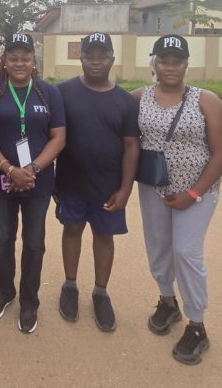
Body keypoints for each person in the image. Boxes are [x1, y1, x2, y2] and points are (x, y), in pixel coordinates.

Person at [131, 34, 222, 365]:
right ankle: (167, 301)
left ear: (186, 64)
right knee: (158, 246)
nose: (170, 67)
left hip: (197, 191)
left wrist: (193, 193)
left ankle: (197, 323)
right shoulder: (138, 98)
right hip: (153, 188)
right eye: (164, 60)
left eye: (177, 61)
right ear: (154, 63)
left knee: (186, 252)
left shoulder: (206, 100)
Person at [0, 33, 65, 333]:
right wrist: (8, 168)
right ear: (4, 61)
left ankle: (30, 300)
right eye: (13, 57)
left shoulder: (48, 93)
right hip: (1, 179)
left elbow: (59, 136)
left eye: (25, 57)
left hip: (38, 182)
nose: (19, 63)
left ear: (33, 61)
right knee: (3, 238)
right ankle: (4, 292)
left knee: (34, 242)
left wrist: (32, 168)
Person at [55, 32, 140, 331]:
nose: (95, 60)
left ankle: (101, 292)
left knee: (104, 237)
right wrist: (54, 182)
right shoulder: (62, 92)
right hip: (71, 183)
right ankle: (70, 286)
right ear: (81, 58)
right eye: (90, 54)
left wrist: (126, 188)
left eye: (102, 55)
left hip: (109, 187)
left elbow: (131, 145)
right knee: (72, 230)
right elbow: (53, 136)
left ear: (112, 59)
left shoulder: (126, 101)